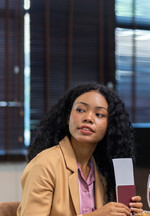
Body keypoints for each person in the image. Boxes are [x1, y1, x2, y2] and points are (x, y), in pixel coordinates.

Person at [17, 82, 143, 216]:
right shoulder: (44, 165)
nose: (88, 118)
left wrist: (126, 211)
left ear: (110, 126)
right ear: (68, 117)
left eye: (99, 114)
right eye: (80, 110)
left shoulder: (102, 172)